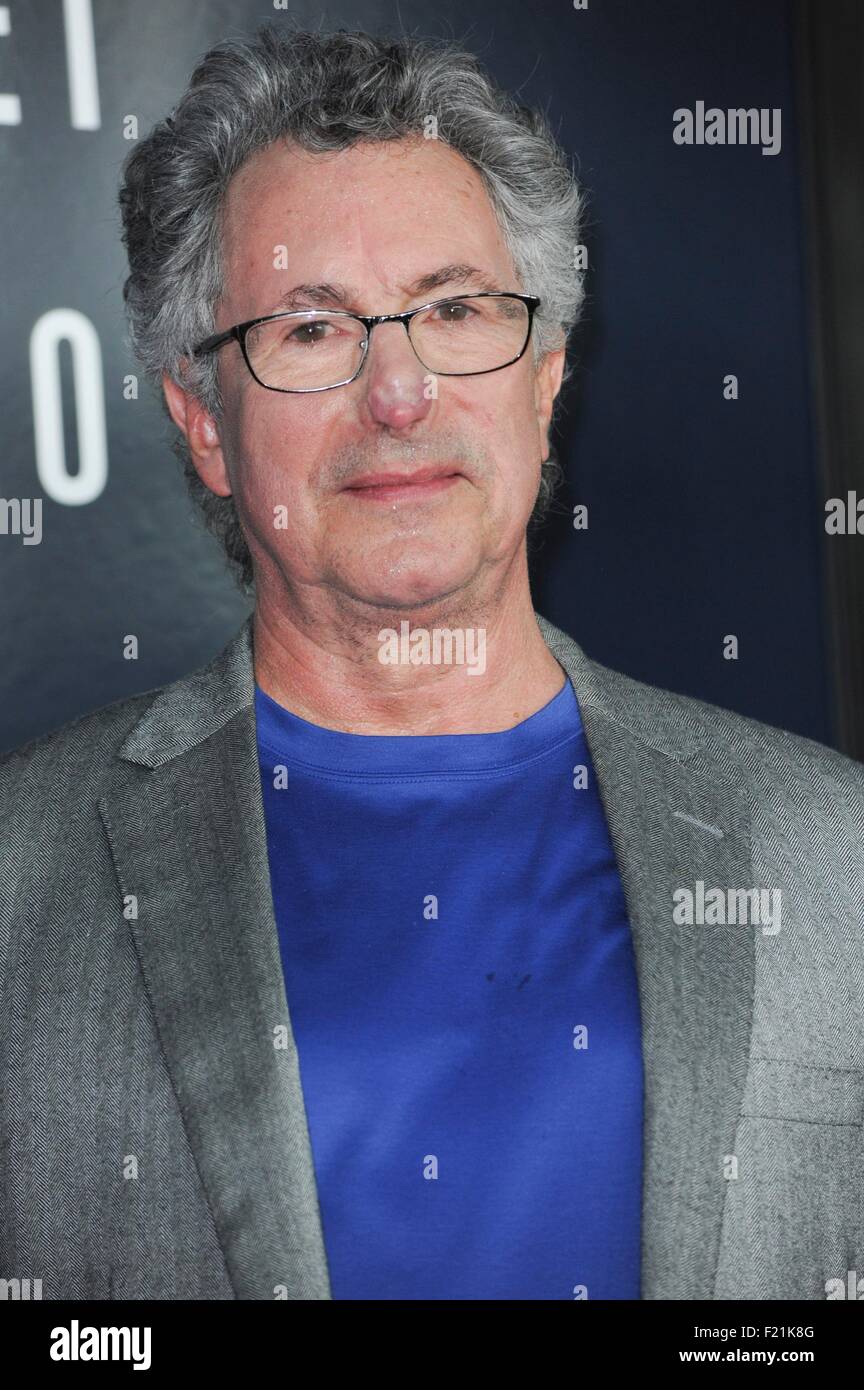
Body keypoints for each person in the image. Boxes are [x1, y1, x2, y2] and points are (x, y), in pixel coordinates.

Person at [2, 24, 863, 1303]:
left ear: (546, 376)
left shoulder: (828, 849)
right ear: (204, 427)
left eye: (457, 309)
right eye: (308, 329)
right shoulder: (27, 874)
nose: (398, 391)